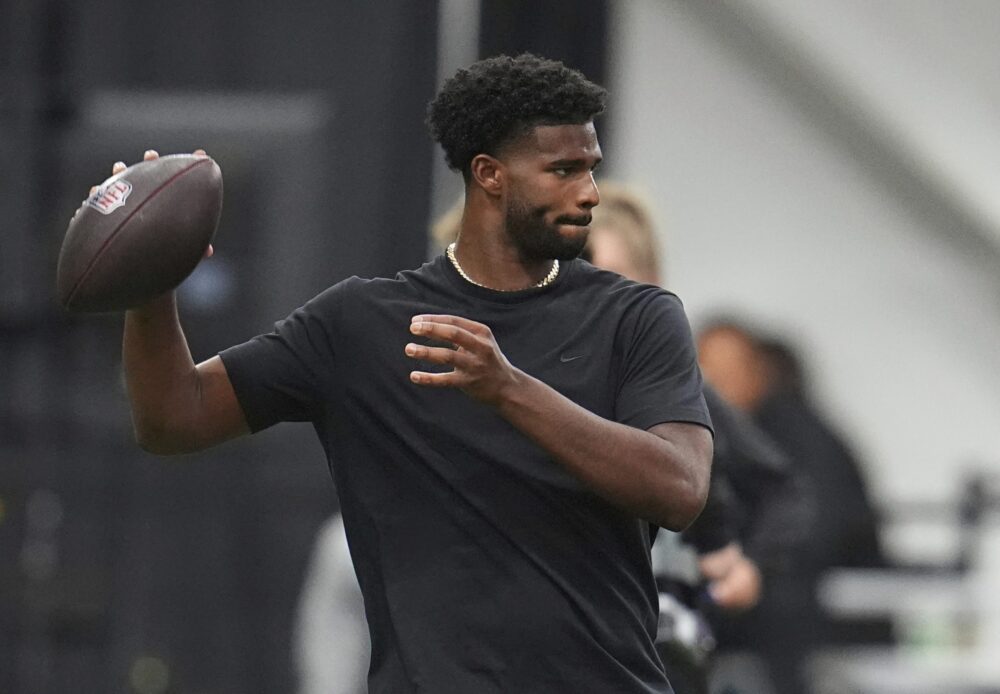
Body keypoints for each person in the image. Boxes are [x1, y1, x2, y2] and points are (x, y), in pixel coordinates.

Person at [103, 54, 714, 693]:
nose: (589, 193)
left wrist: (509, 389)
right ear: (489, 174)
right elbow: (173, 417)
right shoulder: (360, 323)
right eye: (563, 170)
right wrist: (151, 283)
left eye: (590, 168)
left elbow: (679, 487)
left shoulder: (637, 318)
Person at [581, 184, 814, 694]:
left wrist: (747, 568)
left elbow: (780, 490)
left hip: (662, 654)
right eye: (585, 277)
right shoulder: (542, 387)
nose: (599, 299)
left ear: (653, 287)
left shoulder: (684, 393)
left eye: (615, 279)